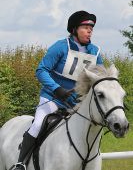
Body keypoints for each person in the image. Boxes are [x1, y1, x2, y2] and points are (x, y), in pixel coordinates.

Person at [14, 10, 103, 170]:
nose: (90, 30)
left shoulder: (95, 52)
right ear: (74, 29)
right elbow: (41, 70)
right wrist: (57, 89)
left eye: (91, 28)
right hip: (53, 98)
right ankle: (21, 163)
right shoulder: (61, 47)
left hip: (76, 103)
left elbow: (100, 79)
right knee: (37, 124)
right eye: (85, 27)